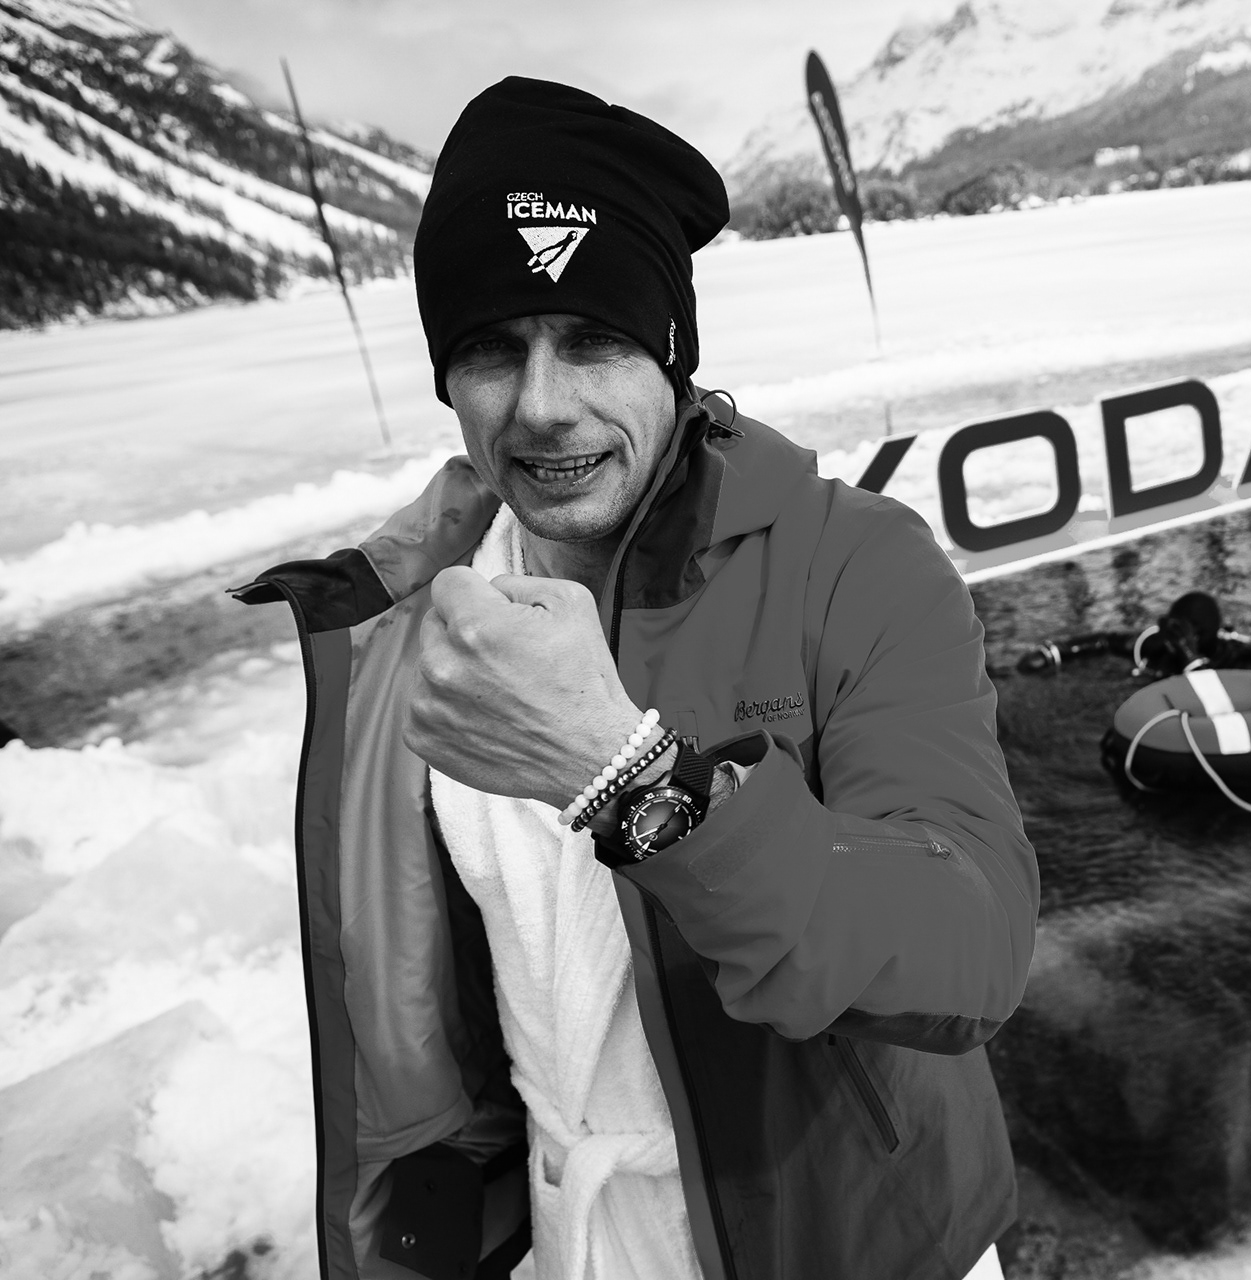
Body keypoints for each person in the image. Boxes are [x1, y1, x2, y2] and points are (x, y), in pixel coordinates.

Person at [238, 77, 1037, 1280]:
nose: (543, 407)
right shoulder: (411, 614)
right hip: (574, 1236)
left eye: (594, 338)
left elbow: (971, 955)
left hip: (845, 1243)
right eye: (492, 348)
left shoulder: (852, 564)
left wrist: (634, 782)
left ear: (670, 350)